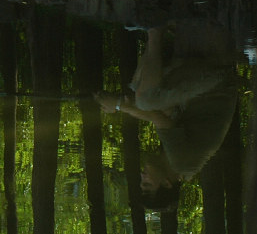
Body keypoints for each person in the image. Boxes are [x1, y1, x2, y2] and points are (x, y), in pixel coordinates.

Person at [95, 23, 238, 212]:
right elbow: (158, 118)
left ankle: (155, 31)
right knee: (146, 99)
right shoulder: (181, 163)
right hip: (217, 82)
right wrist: (120, 105)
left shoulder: (181, 166)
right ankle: (155, 29)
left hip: (207, 85)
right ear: (166, 183)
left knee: (139, 91)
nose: (142, 176)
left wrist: (126, 105)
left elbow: (164, 117)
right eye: (147, 184)